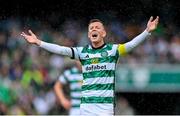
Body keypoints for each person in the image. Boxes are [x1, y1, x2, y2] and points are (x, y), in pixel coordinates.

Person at [21, 16, 159, 115]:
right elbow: (62, 49)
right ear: (88, 34)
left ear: (103, 33)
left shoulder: (113, 50)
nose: (94, 29)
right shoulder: (82, 52)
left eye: (97, 27)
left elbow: (131, 45)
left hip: (105, 107)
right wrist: (39, 42)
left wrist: (147, 31)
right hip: (86, 106)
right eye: (91, 28)